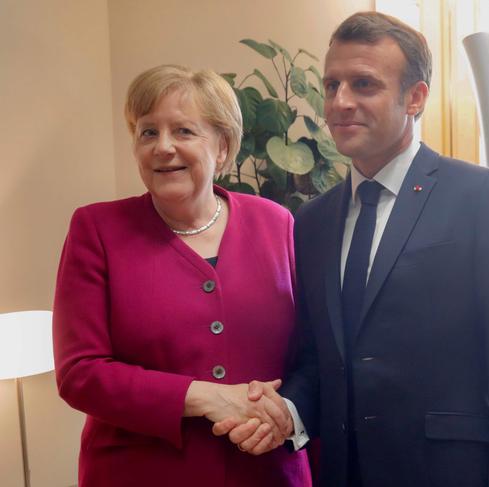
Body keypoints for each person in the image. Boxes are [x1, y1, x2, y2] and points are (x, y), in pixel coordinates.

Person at [217, 11, 489, 487]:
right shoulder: (311, 221)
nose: (340, 101)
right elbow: (318, 360)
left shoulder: (484, 197)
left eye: (363, 84)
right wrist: (286, 413)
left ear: (415, 97)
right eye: (332, 84)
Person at [52, 64, 311, 487]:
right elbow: (80, 372)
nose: (163, 147)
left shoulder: (276, 223)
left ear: (223, 147)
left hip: (265, 471)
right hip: (140, 473)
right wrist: (207, 397)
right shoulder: (96, 229)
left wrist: (285, 414)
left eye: (184, 131)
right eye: (148, 132)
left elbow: (311, 351)